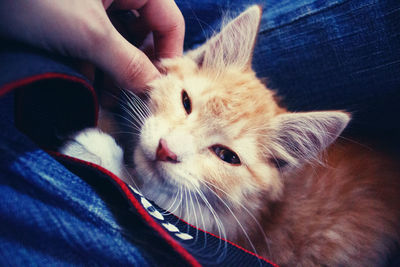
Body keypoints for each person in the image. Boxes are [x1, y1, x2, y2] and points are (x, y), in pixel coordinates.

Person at [0, 0, 399, 265]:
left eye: (226, 154)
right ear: (196, 59)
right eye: (187, 104)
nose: (171, 146)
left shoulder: (225, 224)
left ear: (277, 169)